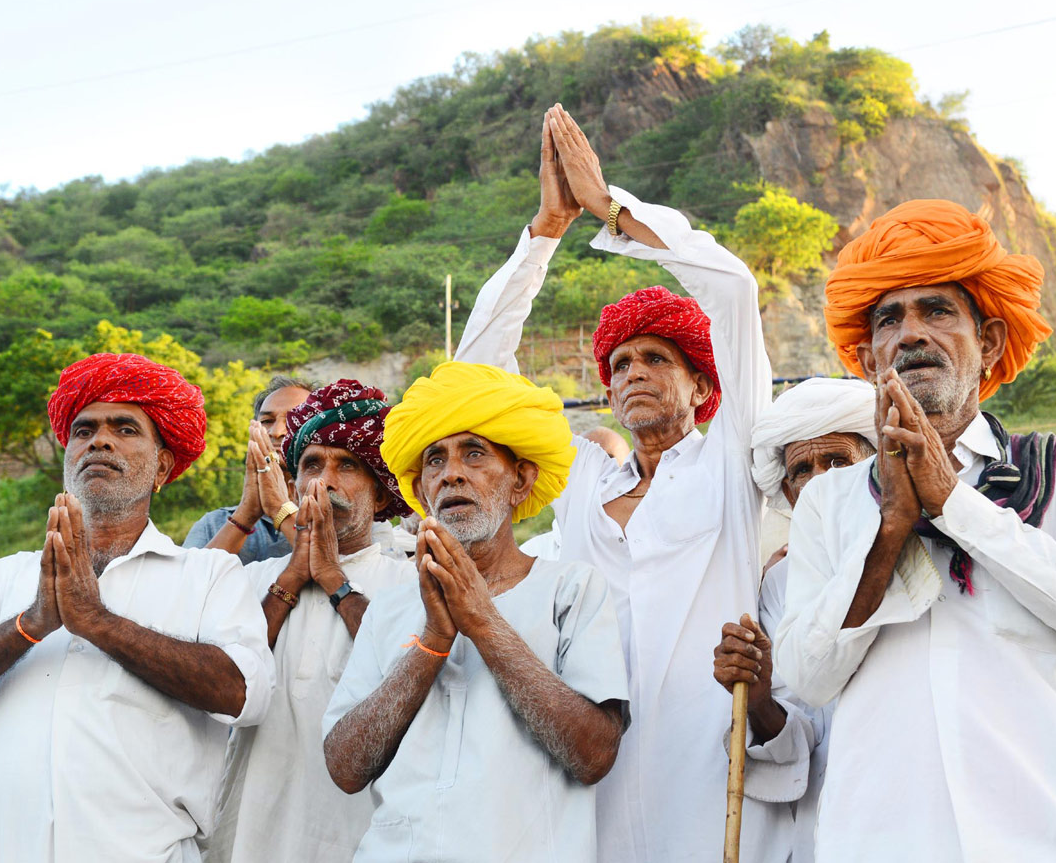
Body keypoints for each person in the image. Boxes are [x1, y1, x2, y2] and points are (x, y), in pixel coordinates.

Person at [455, 105, 805, 862]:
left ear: (699, 385)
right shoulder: (582, 479)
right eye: (620, 365)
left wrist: (613, 209)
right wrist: (544, 233)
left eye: (656, 360)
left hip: (714, 772)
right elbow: (479, 376)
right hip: (590, 770)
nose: (634, 374)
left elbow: (734, 291)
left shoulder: (730, 463)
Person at [773, 200, 1056, 861]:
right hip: (881, 843)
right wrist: (891, 531)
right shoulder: (830, 502)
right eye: (889, 318)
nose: (911, 333)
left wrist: (954, 503)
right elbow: (807, 679)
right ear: (868, 359)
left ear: (988, 343)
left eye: (937, 310)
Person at [0, 353, 274, 862]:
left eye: (124, 428)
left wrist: (98, 623)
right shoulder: (6, 576)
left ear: (163, 467)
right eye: (83, 431)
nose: (99, 441)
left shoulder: (206, 575)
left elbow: (244, 693)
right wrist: (33, 622)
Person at [323, 361, 629, 862]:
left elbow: (594, 755)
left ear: (521, 481)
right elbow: (345, 766)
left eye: (474, 454)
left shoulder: (570, 588)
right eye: (435, 461)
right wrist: (432, 641)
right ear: (421, 493)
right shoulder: (393, 608)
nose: (452, 473)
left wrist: (483, 622)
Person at [205, 380, 415, 863]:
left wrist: (334, 581)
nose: (325, 482)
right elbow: (223, 675)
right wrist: (292, 578)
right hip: (253, 833)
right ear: (293, 485)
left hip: (368, 837)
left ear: (382, 497)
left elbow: (411, 674)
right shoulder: (254, 579)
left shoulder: (409, 582)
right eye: (312, 465)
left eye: (348, 466)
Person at [713, 377, 877, 863]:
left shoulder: (928, 547)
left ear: (876, 467)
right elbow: (798, 728)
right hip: (829, 819)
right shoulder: (779, 584)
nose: (820, 480)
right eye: (802, 468)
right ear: (787, 489)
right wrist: (760, 696)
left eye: (837, 461)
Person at [184, 375, 315, 563]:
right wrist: (246, 514)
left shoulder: (340, 519)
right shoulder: (214, 524)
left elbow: (334, 575)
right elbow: (186, 587)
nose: (276, 431)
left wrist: (280, 508)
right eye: (267, 421)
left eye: (294, 420)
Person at [519, 426, 631, 562]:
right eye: (586, 464)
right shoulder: (531, 554)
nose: (599, 481)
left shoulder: (646, 549)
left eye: (611, 469)